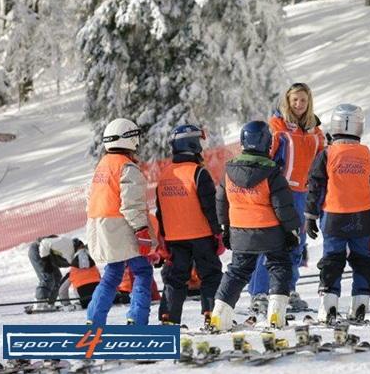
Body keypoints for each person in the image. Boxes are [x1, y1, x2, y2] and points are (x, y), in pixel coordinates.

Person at [210, 121, 300, 330]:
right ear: (267, 144)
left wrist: (224, 228)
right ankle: (276, 315)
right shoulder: (272, 173)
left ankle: (219, 315)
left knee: (237, 272)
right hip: (270, 232)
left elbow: (221, 202)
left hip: (240, 232)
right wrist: (291, 231)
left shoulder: (229, 171)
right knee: (279, 266)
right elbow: (283, 206)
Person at [250, 82, 326, 313]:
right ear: (288, 101)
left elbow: (322, 165)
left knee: (296, 244)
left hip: (303, 194)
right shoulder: (277, 127)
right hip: (279, 192)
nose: (299, 104)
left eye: (303, 100)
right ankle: (259, 293)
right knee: (271, 242)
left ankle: (288, 290)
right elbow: (266, 158)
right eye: (295, 100)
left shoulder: (316, 132)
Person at [305, 104, 370, 325]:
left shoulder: (326, 154)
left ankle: (328, 304)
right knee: (362, 259)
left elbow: (315, 186)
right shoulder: (367, 155)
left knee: (332, 259)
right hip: (362, 216)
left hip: (334, 215)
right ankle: (361, 303)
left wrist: (310, 215)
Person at [85, 118, 155, 326]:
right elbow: (131, 204)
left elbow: (90, 197)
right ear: (129, 139)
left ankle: (94, 319)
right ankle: (137, 319)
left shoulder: (103, 166)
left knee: (112, 273)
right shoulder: (126, 167)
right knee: (142, 271)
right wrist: (141, 229)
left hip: (99, 225)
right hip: (120, 225)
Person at [155, 125, 224, 326]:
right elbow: (211, 207)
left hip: (175, 238)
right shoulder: (199, 173)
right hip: (201, 235)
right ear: (192, 143)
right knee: (210, 275)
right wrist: (217, 232)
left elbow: (160, 210)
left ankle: (168, 317)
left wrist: (164, 238)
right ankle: (213, 315)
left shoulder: (165, 174)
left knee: (175, 278)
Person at [28, 235, 95, 309]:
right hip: (38, 250)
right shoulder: (67, 244)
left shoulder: (78, 256)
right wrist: (45, 261)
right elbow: (44, 243)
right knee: (48, 277)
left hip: (49, 257)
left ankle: (50, 303)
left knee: (57, 278)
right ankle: (40, 303)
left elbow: (76, 276)